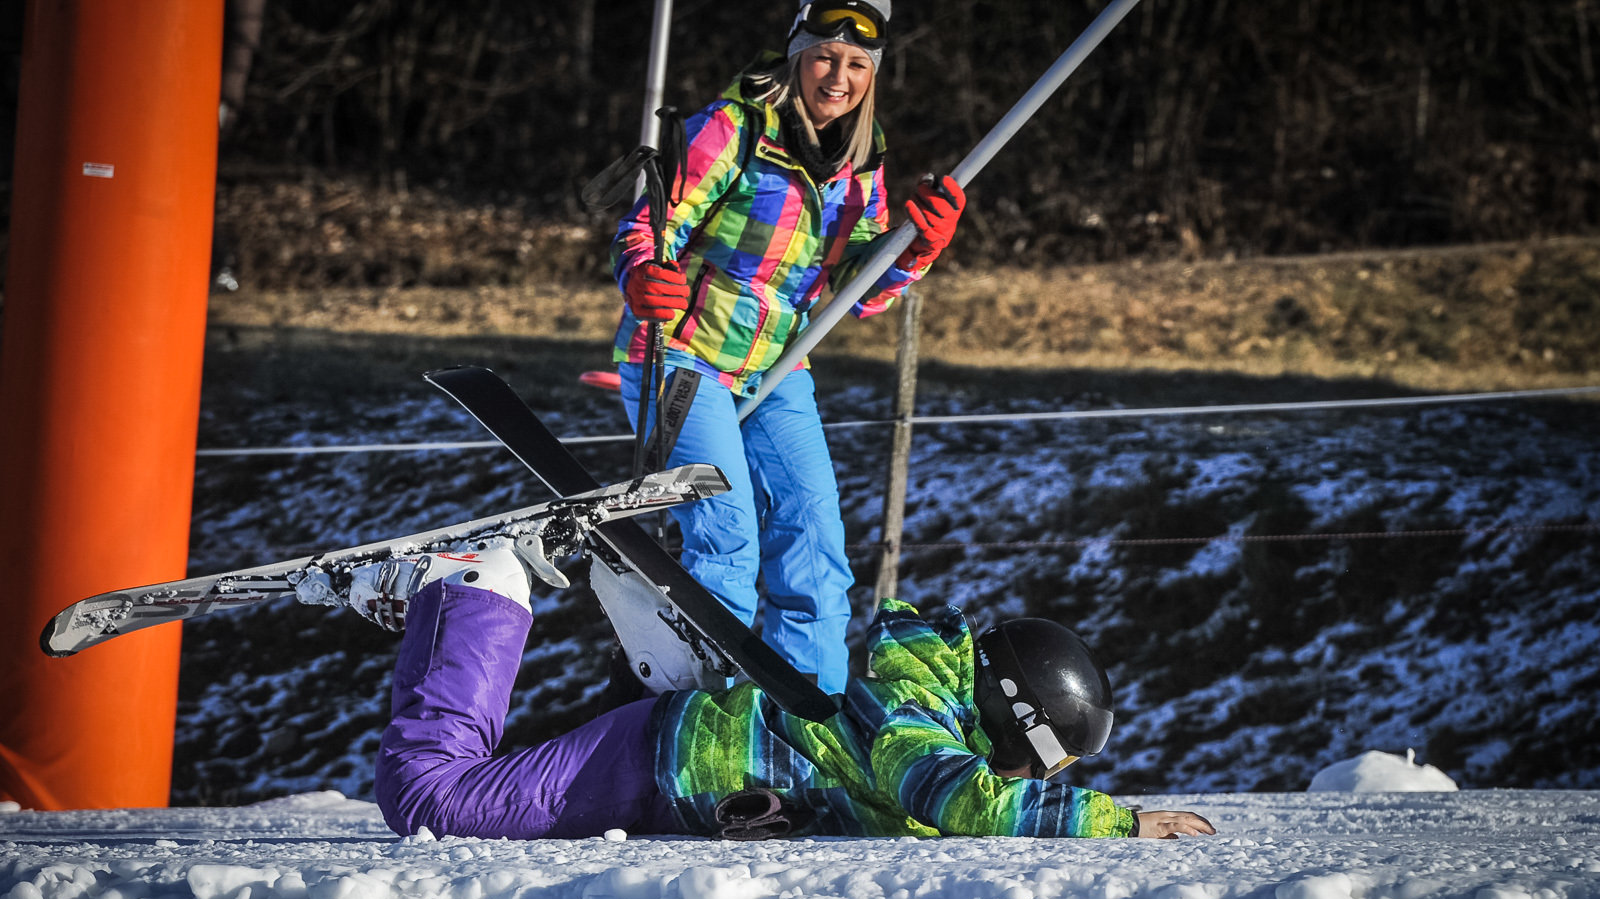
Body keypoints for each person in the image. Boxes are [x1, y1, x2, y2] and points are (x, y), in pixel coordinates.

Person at [353, 544, 1216, 843]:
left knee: (459, 792)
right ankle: (473, 593)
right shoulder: (912, 720)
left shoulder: (921, 695)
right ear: (1011, 712)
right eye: (1034, 762)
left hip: (681, 767)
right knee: (430, 798)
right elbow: (961, 798)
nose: (1027, 781)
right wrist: (1121, 821)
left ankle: (627, 602)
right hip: (662, 761)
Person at [607, 0, 966, 694]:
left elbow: (862, 292)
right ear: (797, 55)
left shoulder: (863, 162)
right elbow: (650, 221)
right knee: (726, 537)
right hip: (684, 356)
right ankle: (704, 722)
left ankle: (811, 722)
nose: (839, 76)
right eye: (826, 56)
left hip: (777, 367)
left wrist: (919, 248)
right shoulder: (732, 127)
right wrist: (645, 275)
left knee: (815, 540)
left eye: (858, 63)